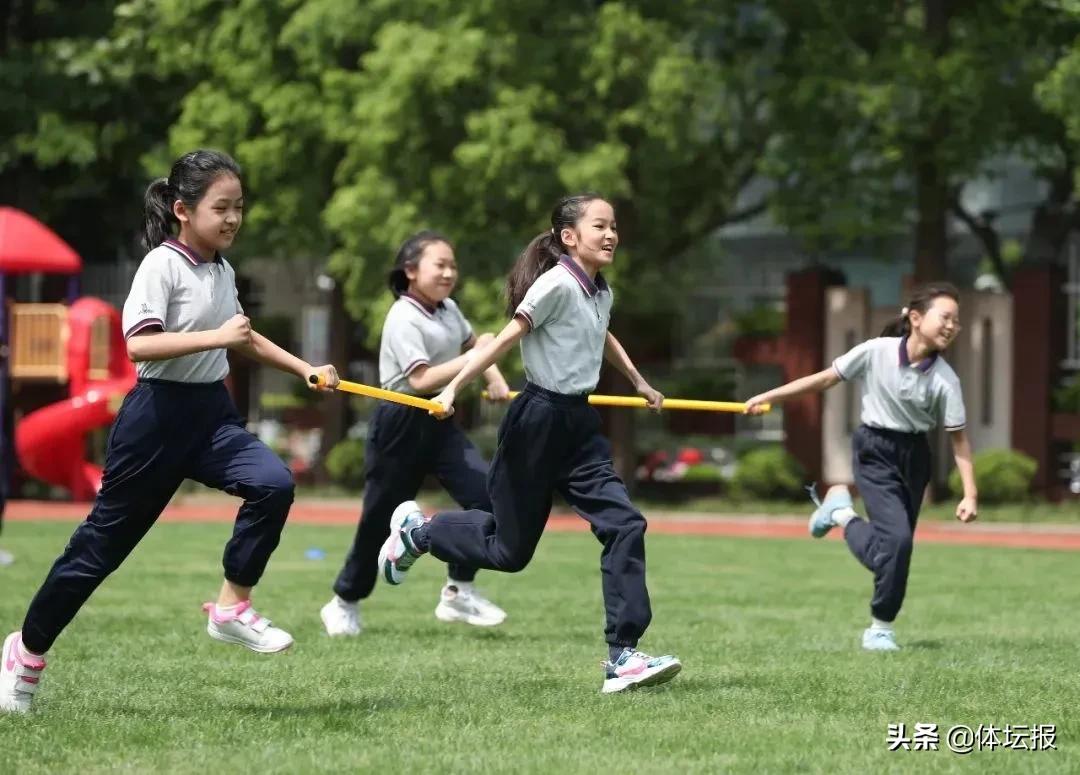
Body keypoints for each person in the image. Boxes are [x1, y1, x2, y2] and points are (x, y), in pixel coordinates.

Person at [0, 149, 339, 714]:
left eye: (239, 208)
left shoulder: (222, 270)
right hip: (155, 420)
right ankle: (26, 653)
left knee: (273, 482)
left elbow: (244, 337)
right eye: (221, 207)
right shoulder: (162, 265)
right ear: (184, 210)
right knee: (98, 551)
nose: (232, 219)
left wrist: (303, 368)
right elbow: (140, 344)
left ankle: (232, 607)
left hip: (210, 415)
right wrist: (217, 338)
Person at [377, 194, 682, 693]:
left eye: (613, 227)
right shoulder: (555, 284)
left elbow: (605, 335)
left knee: (625, 523)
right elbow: (500, 340)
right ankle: (419, 534)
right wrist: (452, 388)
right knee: (508, 551)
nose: (610, 235)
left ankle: (622, 656)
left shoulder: (599, 290)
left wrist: (639, 381)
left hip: (579, 426)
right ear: (569, 236)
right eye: (599, 226)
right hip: (536, 422)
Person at [744, 282, 978, 651]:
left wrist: (970, 493)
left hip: (915, 457)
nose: (952, 326)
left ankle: (841, 515)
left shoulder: (946, 380)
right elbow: (824, 379)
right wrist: (770, 395)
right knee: (897, 542)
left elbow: (959, 439)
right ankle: (879, 628)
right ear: (916, 318)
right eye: (945, 317)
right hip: (875, 451)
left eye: (956, 321)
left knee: (896, 549)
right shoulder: (875, 352)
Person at [320, 230, 511, 636]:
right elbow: (422, 378)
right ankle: (343, 601)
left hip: (441, 421)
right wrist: (476, 358)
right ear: (410, 271)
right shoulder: (403, 317)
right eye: (439, 265)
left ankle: (458, 591)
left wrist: (492, 374)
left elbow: (478, 343)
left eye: (452, 266)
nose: (448, 273)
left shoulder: (448, 309)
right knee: (377, 521)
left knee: (486, 497)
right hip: (400, 421)